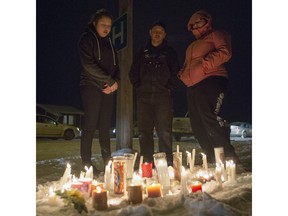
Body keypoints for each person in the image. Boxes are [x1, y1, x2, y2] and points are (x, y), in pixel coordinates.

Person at [178, 10, 241, 165]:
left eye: (198, 21)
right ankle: (213, 160)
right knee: (197, 124)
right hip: (192, 85)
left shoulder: (216, 34)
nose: (195, 25)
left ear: (206, 21)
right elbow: (189, 63)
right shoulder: (193, 44)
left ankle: (230, 159)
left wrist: (205, 64)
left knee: (210, 118)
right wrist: (183, 73)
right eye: (192, 24)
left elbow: (225, 52)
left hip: (211, 79)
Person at [129, 21, 180, 166]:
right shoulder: (141, 52)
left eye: (161, 32)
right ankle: (147, 162)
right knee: (144, 132)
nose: (157, 33)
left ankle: (166, 163)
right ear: (150, 32)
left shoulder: (170, 52)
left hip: (163, 98)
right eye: (155, 31)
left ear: (164, 35)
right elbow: (133, 72)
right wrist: (139, 87)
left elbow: (176, 73)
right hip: (143, 99)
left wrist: (168, 87)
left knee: (164, 132)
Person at [78, 9, 120, 175]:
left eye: (109, 26)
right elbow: (88, 65)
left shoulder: (110, 43)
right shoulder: (86, 39)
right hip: (91, 85)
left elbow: (116, 66)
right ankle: (86, 166)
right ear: (94, 23)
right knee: (90, 125)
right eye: (103, 24)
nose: (106, 28)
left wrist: (115, 82)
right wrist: (109, 80)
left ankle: (108, 163)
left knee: (105, 126)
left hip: (108, 88)